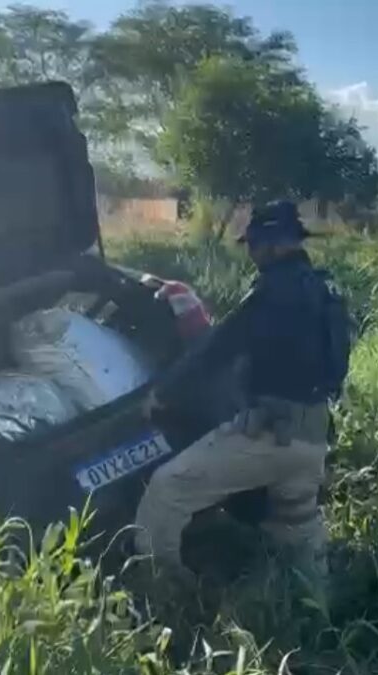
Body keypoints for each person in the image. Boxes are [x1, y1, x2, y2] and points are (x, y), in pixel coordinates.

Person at [134, 199, 350, 594]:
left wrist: (162, 393)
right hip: (314, 436)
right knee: (295, 524)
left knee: (166, 490)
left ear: (271, 245)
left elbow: (217, 347)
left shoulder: (273, 295)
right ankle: (323, 612)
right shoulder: (324, 287)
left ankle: (166, 594)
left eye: (253, 244)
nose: (251, 253)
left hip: (272, 434)